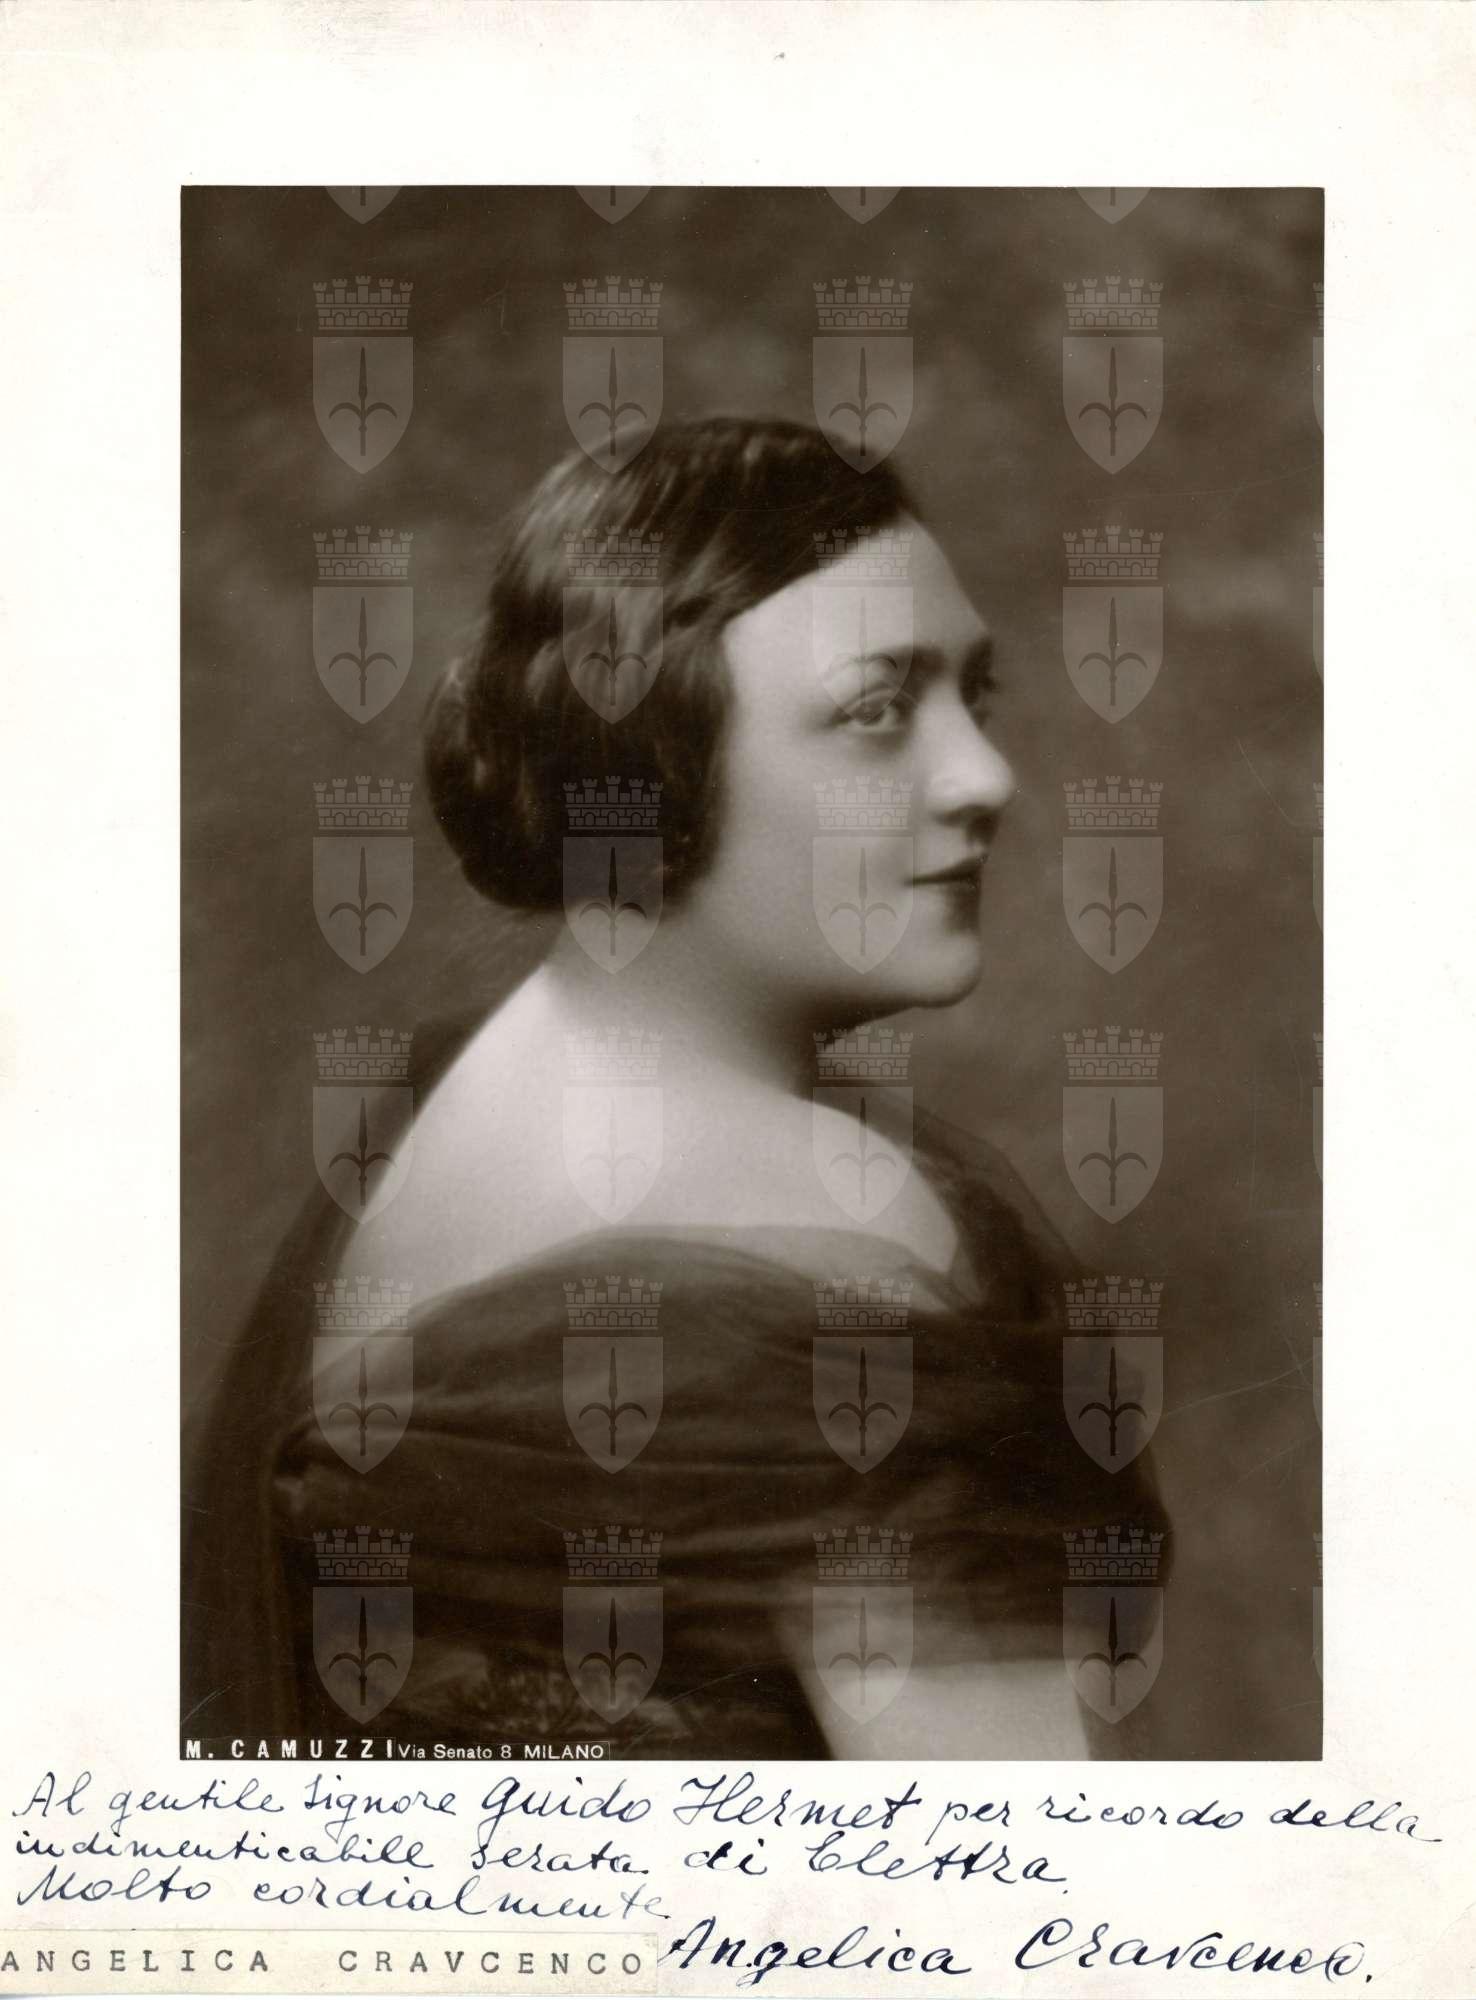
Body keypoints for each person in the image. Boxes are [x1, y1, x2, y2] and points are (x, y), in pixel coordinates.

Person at [185, 417, 1168, 1759]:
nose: (984, 778)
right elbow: (1011, 1870)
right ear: (649, 755)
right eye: (877, 710)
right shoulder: (839, 1222)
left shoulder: (440, 1103)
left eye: (972, 699)